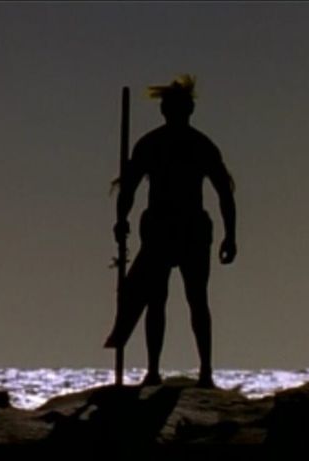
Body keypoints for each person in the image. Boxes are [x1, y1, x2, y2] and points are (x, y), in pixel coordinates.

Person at [105, 75, 236, 388]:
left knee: (192, 300)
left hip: (187, 229)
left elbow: (224, 192)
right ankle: (159, 371)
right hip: (163, 230)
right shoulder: (159, 144)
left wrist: (231, 235)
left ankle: (203, 371)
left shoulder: (191, 145)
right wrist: (121, 218)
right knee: (161, 299)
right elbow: (129, 187)